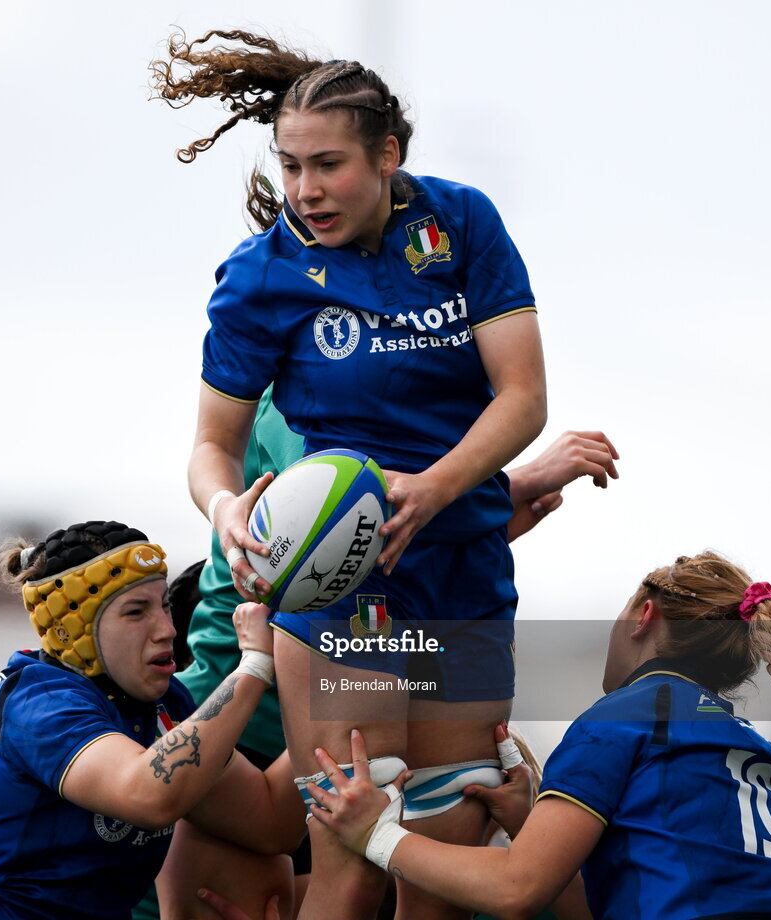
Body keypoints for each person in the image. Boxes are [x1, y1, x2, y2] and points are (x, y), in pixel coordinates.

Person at [153, 28, 549, 918]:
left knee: (443, 859)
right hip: (339, 582)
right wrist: (224, 508)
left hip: (463, 569)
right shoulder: (261, 278)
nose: (305, 190)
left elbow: (523, 399)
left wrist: (436, 489)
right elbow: (211, 445)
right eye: (291, 166)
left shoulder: (462, 224)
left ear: (388, 154)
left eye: (327, 164)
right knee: (351, 857)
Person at [307, 551, 771, 920]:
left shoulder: (624, 716)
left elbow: (516, 890)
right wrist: (532, 822)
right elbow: (606, 905)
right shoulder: (747, 743)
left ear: (643, 616)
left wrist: (374, 835)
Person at [0, 520, 305, 920]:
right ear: (75, 630)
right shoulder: (39, 700)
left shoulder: (165, 704)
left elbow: (270, 823)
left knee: (259, 866)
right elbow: (149, 795)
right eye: (135, 612)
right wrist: (255, 667)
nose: (166, 629)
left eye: (163, 605)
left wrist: (333, 685)